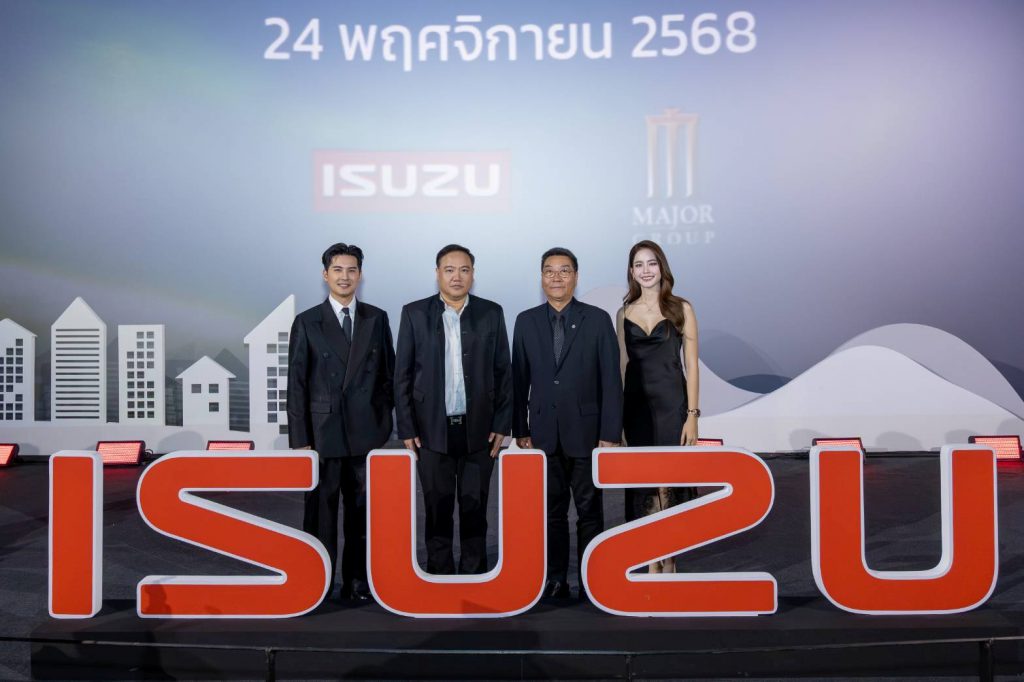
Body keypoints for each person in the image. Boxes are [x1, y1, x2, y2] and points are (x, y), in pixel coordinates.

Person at [512, 247, 623, 600]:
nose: (556, 277)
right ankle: (555, 579)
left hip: (588, 435)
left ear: (575, 276)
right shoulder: (526, 321)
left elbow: (611, 380)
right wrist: (520, 429)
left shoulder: (598, 320)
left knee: (590, 512)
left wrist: (610, 433)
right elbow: (518, 379)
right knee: (551, 513)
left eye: (564, 271)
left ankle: (592, 579)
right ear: (541, 277)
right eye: (549, 271)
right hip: (543, 435)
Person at [394, 244, 512, 575]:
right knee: (437, 509)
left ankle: (475, 575)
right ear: (437, 274)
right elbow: (402, 375)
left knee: (476, 510)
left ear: (473, 274)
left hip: (480, 430)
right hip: (430, 430)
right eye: (449, 270)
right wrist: (407, 428)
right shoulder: (414, 313)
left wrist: (502, 424)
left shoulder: (491, 313)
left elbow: (504, 371)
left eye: (464, 270)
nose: (456, 276)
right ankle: (438, 575)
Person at [287, 242, 395, 600]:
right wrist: (301, 439)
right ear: (325, 275)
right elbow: (296, 383)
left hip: (366, 433)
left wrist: (382, 422)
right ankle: (317, 582)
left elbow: (389, 374)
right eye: (337, 270)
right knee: (321, 515)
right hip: (322, 435)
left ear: (360, 275)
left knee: (362, 515)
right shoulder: (307, 321)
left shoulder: (377, 318)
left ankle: (357, 582)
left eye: (351, 270)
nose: (344, 277)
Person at [616, 240, 700, 573]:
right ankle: (651, 559)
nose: (646, 270)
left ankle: (671, 559)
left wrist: (692, 416)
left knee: (670, 481)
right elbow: (622, 368)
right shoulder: (624, 313)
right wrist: (617, 421)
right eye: (638, 264)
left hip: (672, 406)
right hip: (635, 409)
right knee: (645, 483)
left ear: (661, 267)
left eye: (651, 263)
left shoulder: (682, 308)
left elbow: (691, 366)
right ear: (631, 271)